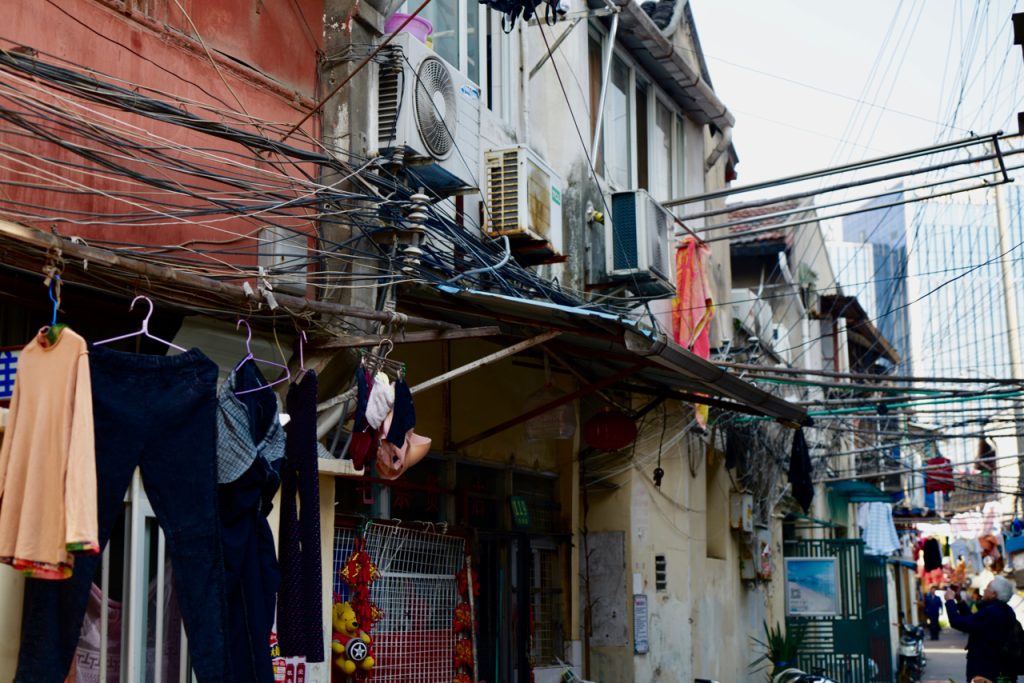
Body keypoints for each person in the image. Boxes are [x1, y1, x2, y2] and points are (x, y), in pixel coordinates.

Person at [944, 576, 1019, 682]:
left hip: (986, 670)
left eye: (987, 588)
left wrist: (950, 601)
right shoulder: (1005, 610)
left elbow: (958, 622)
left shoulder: (992, 612)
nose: (984, 590)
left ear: (994, 594)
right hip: (1001, 668)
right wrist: (959, 600)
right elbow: (972, 622)